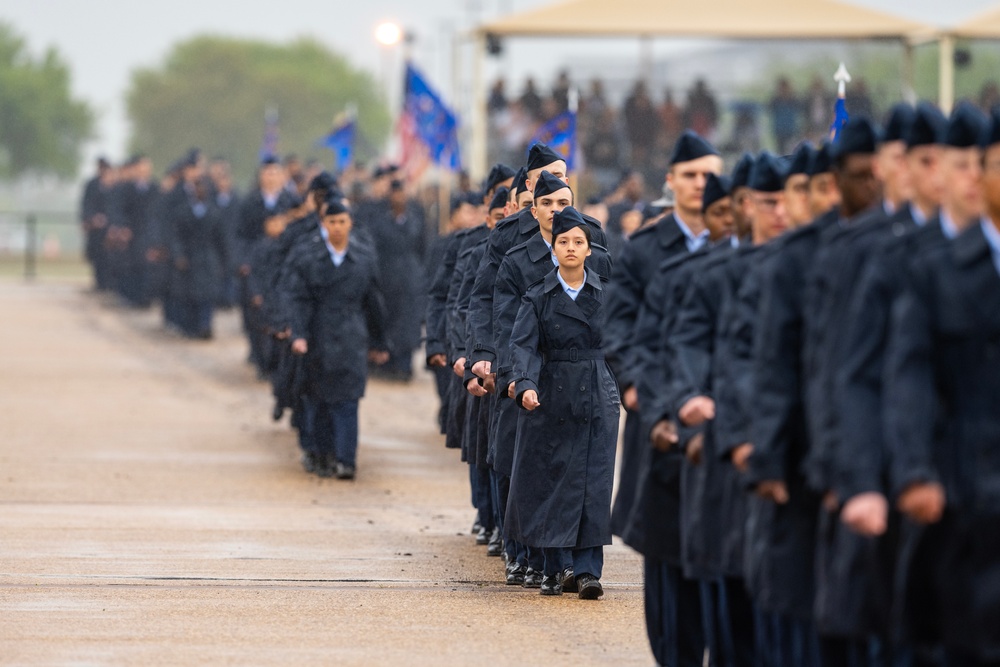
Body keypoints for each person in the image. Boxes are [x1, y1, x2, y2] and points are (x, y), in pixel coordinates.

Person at [508, 206, 619, 599]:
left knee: (593, 481)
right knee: (553, 478)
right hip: (550, 392)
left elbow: (622, 347)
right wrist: (524, 384)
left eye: (578, 242)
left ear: (590, 250)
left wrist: (637, 390)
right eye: (563, 242)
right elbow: (523, 345)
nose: (571, 249)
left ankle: (589, 570)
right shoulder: (537, 296)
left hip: (596, 393)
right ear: (553, 249)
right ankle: (558, 568)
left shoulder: (606, 295)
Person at [287, 198, 389, 480]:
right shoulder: (310, 259)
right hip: (318, 335)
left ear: (350, 224)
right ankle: (323, 454)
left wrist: (379, 342)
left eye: (342, 222)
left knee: (347, 400)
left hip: (351, 336)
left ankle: (346, 459)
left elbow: (374, 303)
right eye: (331, 223)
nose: (337, 228)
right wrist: (298, 334)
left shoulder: (364, 259)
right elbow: (298, 299)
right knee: (319, 399)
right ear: (324, 225)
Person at [366, 179, 428, 381]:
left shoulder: (416, 220)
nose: (399, 198)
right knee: (388, 321)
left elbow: (423, 249)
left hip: (410, 280)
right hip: (387, 279)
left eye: (402, 194)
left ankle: (404, 365)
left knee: (408, 326)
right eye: (395, 194)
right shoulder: (379, 223)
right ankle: (388, 364)